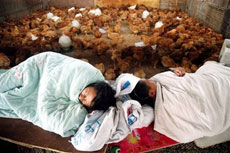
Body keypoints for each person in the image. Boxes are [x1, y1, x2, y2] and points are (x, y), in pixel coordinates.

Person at [0, 51, 116, 137]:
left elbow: (58, 120)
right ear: (93, 85)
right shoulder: (84, 74)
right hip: (42, 65)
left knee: (8, 101)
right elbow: (52, 86)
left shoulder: (81, 101)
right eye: (85, 93)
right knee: (5, 83)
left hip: (42, 84)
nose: (81, 97)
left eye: (85, 101)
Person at [115, 61, 230, 144]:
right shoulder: (165, 105)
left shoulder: (157, 82)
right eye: (149, 82)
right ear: (152, 93)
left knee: (207, 68)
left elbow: (188, 79)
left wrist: (178, 72)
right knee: (212, 69)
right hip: (218, 96)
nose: (151, 79)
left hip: (205, 84)